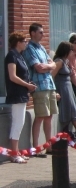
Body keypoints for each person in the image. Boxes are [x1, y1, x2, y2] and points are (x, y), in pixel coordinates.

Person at [22, 23, 58, 156]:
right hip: (39, 86)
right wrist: (49, 66)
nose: (43, 34)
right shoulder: (29, 48)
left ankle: (49, 145)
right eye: (40, 32)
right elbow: (38, 67)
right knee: (40, 116)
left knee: (49, 116)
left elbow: (53, 64)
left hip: (49, 85)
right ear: (32, 33)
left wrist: (49, 65)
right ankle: (35, 147)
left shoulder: (42, 48)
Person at [4, 32, 37, 163]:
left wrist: (29, 85)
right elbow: (12, 76)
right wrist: (27, 85)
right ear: (18, 43)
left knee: (20, 122)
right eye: (24, 41)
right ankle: (13, 153)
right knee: (17, 123)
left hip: (22, 93)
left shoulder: (20, 56)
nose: (26, 44)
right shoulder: (12, 56)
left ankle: (16, 151)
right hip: (16, 94)